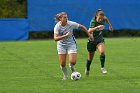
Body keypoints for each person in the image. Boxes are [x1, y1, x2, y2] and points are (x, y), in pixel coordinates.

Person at [54, 12, 93, 80]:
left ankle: (71, 67)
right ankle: (65, 76)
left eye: (67, 17)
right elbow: (55, 39)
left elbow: (82, 27)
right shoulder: (57, 26)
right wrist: (65, 36)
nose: (66, 18)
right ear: (60, 19)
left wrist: (89, 35)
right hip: (61, 45)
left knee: (73, 62)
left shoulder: (71, 24)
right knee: (62, 64)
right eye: (64, 17)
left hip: (71, 44)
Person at [85, 9, 113, 76]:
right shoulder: (93, 21)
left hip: (100, 39)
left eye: (102, 18)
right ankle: (87, 68)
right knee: (90, 58)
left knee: (102, 52)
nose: (101, 19)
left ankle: (102, 67)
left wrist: (110, 26)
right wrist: (97, 27)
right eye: (99, 18)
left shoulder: (104, 18)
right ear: (96, 16)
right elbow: (89, 31)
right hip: (91, 41)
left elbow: (106, 19)